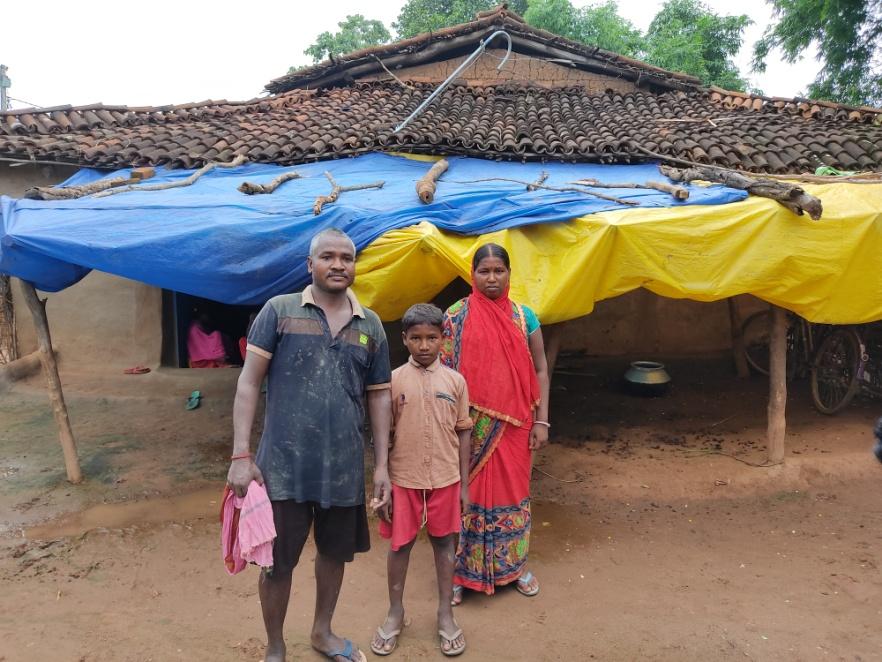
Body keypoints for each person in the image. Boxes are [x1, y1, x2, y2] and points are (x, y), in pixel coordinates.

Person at [227, 228, 392, 662]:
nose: (339, 265)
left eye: (347, 258)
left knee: (334, 554)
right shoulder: (279, 311)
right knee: (277, 563)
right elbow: (248, 382)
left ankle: (323, 632)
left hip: (343, 467)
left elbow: (379, 394)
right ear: (310, 265)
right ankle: (276, 646)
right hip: (281, 467)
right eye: (329, 257)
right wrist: (241, 455)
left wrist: (381, 467)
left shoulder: (370, 324)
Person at [441, 242, 551, 604]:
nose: (491, 278)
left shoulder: (525, 317)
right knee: (463, 499)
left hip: (518, 425)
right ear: (472, 274)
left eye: (498, 271)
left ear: (508, 273)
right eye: (484, 271)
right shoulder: (454, 317)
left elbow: (540, 369)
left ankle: (515, 567)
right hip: (468, 429)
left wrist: (543, 421)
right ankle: (458, 573)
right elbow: (441, 375)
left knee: (515, 495)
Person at [371, 303, 472, 657]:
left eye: (432, 337)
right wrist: (381, 476)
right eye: (416, 338)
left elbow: (463, 433)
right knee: (400, 546)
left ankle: (445, 614)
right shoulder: (393, 380)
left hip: (446, 478)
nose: (424, 345)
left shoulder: (456, 381)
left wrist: (465, 485)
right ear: (404, 339)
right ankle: (395, 613)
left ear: (444, 339)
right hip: (404, 478)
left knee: (445, 545)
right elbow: (383, 433)